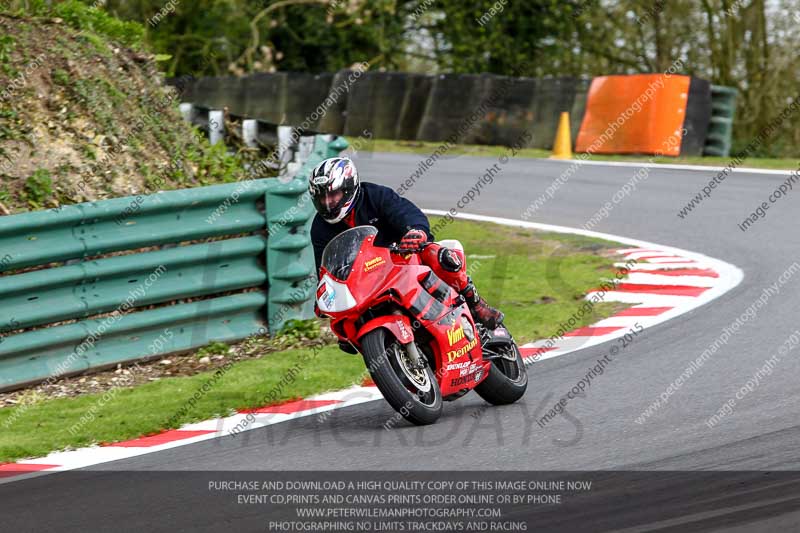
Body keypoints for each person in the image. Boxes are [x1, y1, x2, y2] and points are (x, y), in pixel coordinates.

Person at [309, 156, 504, 345]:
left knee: (437, 255)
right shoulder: (320, 227)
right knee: (344, 325)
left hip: (403, 257)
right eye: (322, 198)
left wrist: (415, 232)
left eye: (333, 195)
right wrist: (324, 294)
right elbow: (325, 267)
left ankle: (476, 304)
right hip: (365, 279)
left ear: (349, 188)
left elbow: (406, 212)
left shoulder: (375, 195)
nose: (328, 203)